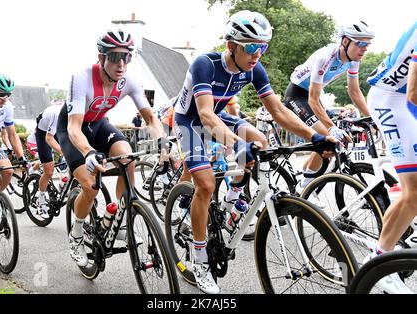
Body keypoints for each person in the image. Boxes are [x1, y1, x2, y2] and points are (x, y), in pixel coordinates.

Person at [173, 10, 335, 294]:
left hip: (218, 119)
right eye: (250, 46)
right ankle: (199, 261)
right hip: (191, 121)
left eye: (263, 47)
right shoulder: (205, 65)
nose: (257, 53)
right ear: (231, 45)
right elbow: (206, 116)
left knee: (260, 140)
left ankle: (231, 204)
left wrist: (317, 136)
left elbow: (278, 111)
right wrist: (235, 144)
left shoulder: (252, 69)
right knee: (207, 184)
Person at [57, 28, 168, 267]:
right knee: (91, 186)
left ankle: (117, 215)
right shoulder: (82, 77)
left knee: (128, 159)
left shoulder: (129, 81)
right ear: (101, 57)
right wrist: (88, 153)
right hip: (72, 129)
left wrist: (162, 141)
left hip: (98, 124)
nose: (121, 64)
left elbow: (150, 118)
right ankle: (76, 234)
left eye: (126, 57)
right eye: (115, 57)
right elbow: (74, 127)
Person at [284, 21, 375, 192]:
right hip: (297, 96)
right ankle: (306, 188)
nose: (365, 49)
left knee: (327, 146)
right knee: (328, 138)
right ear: (345, 41)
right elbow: (312, 99)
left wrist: (373, 118)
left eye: (367, 44)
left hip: (313, 98)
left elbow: (355, 92)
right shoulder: (325, 56)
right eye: (361, 43)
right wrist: (332, 128)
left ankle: (303, 180)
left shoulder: (354, 59)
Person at [363, 22, 417, 293]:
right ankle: (381, 264)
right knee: (415, 192)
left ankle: (382, 250)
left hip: (405, 99)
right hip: (391, 100)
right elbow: (414, 94)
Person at [34, 103, 64, 219]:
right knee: (49, 172)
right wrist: (63, 152)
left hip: (60, 132)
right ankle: (40, 200)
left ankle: (64, 184)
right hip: (44, 134)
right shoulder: (57, 113)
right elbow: (49, 138)